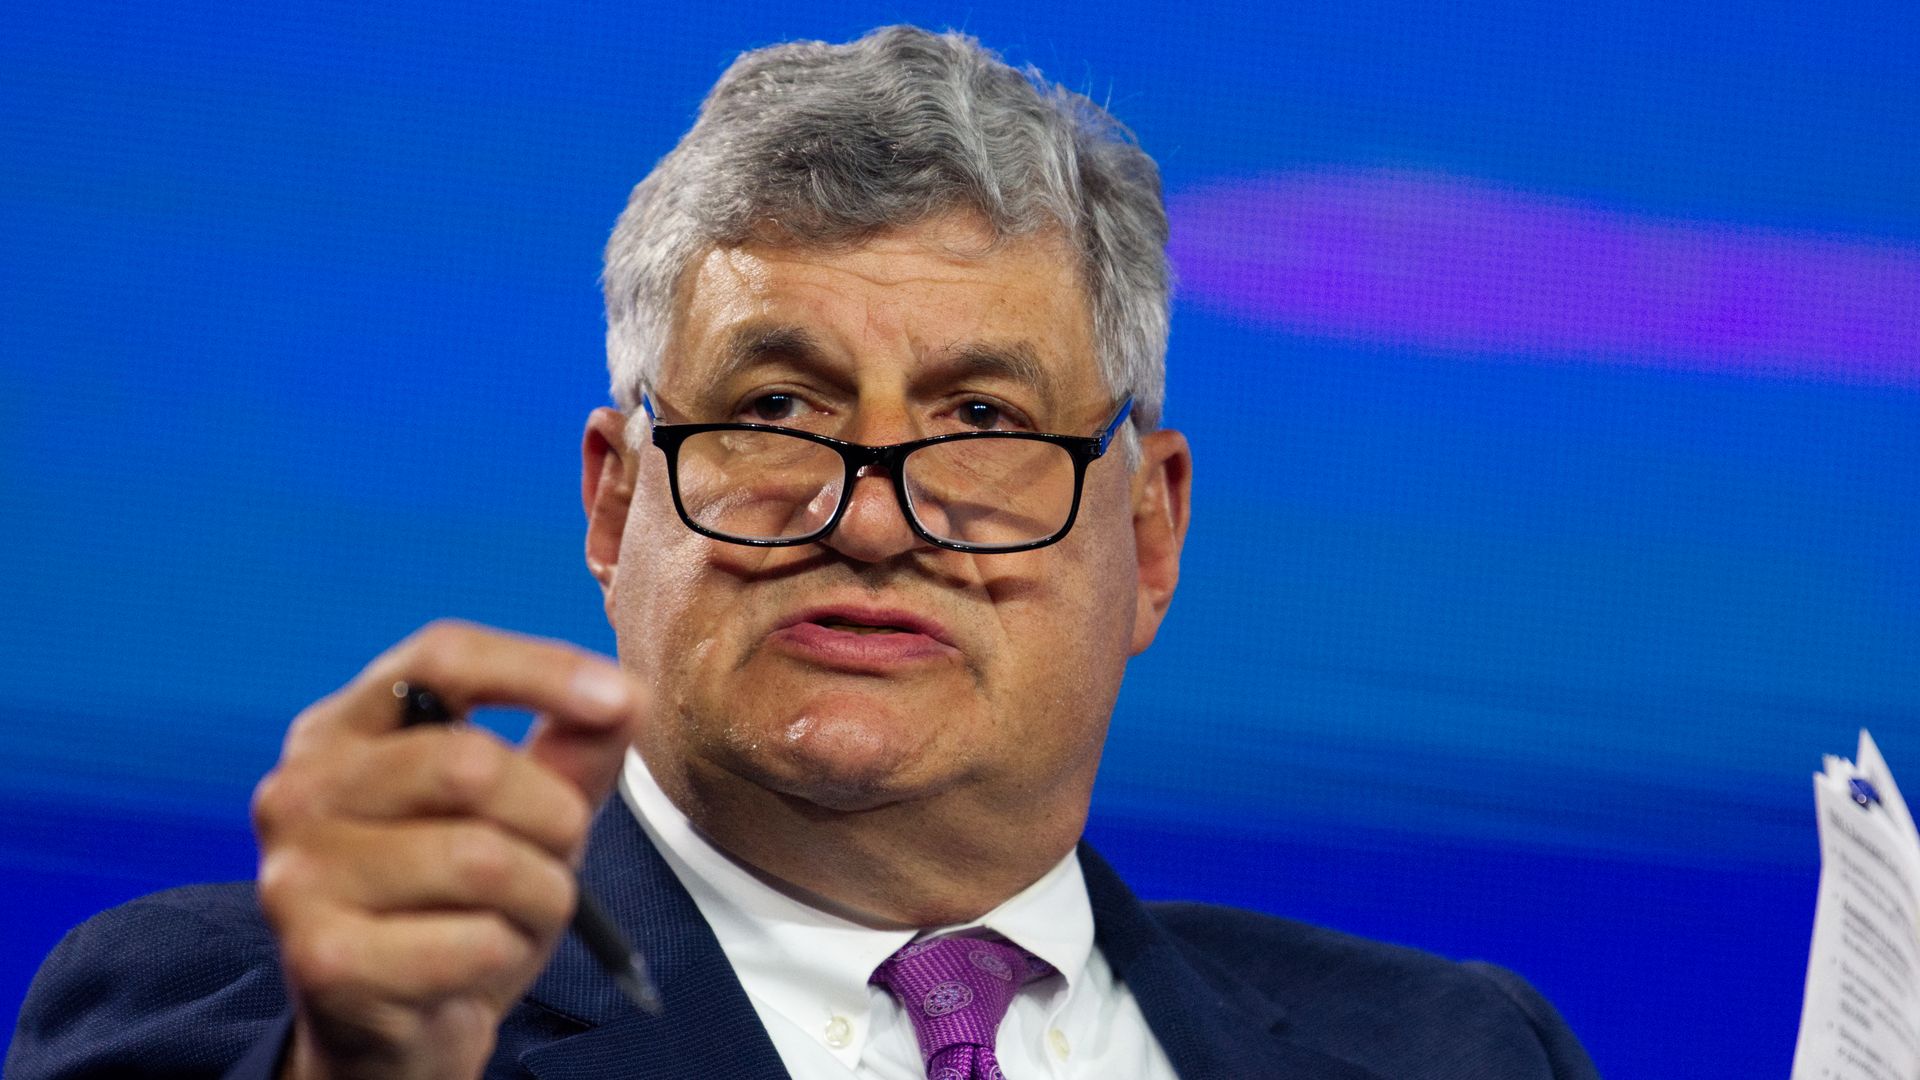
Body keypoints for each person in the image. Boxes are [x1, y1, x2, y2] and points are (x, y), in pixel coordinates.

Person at [9, 25, 1599, 1080]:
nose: (873, 515)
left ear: (1152, 530)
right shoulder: (284, 1014)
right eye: (777, 409)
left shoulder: (1454, 1050)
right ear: (616, 505)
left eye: (983, 419)